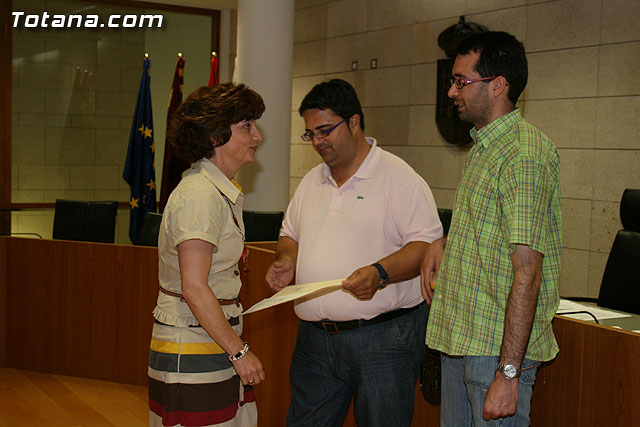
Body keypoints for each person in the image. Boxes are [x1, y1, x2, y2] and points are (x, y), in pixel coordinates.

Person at [266, 78, 443, 427]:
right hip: (314, 341)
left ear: (354, 123)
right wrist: (286, 259)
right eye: (310, 134)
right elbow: (289, 235)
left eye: (325, 130)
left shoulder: (399, 178)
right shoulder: (311, 181)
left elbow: (426, 247)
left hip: (382, 340)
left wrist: (380, 273)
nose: (317, 141)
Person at [421, 31, 562, 426]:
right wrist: (443, 242)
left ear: (498, 85)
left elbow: (527, 271)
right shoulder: (485, 148)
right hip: (462, 342)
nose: (452, 91)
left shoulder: (523, 154)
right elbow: (491, 233)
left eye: (461, 81)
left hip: (494, 355)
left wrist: (508, 372)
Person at [148, 83, 266, 427]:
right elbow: (195, 287)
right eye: (247, 126)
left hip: (212, 335)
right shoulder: (200, 195)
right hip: (193, 339)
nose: (257, 136)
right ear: (215, 136)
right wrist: (239, 351)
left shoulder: (215, 190)